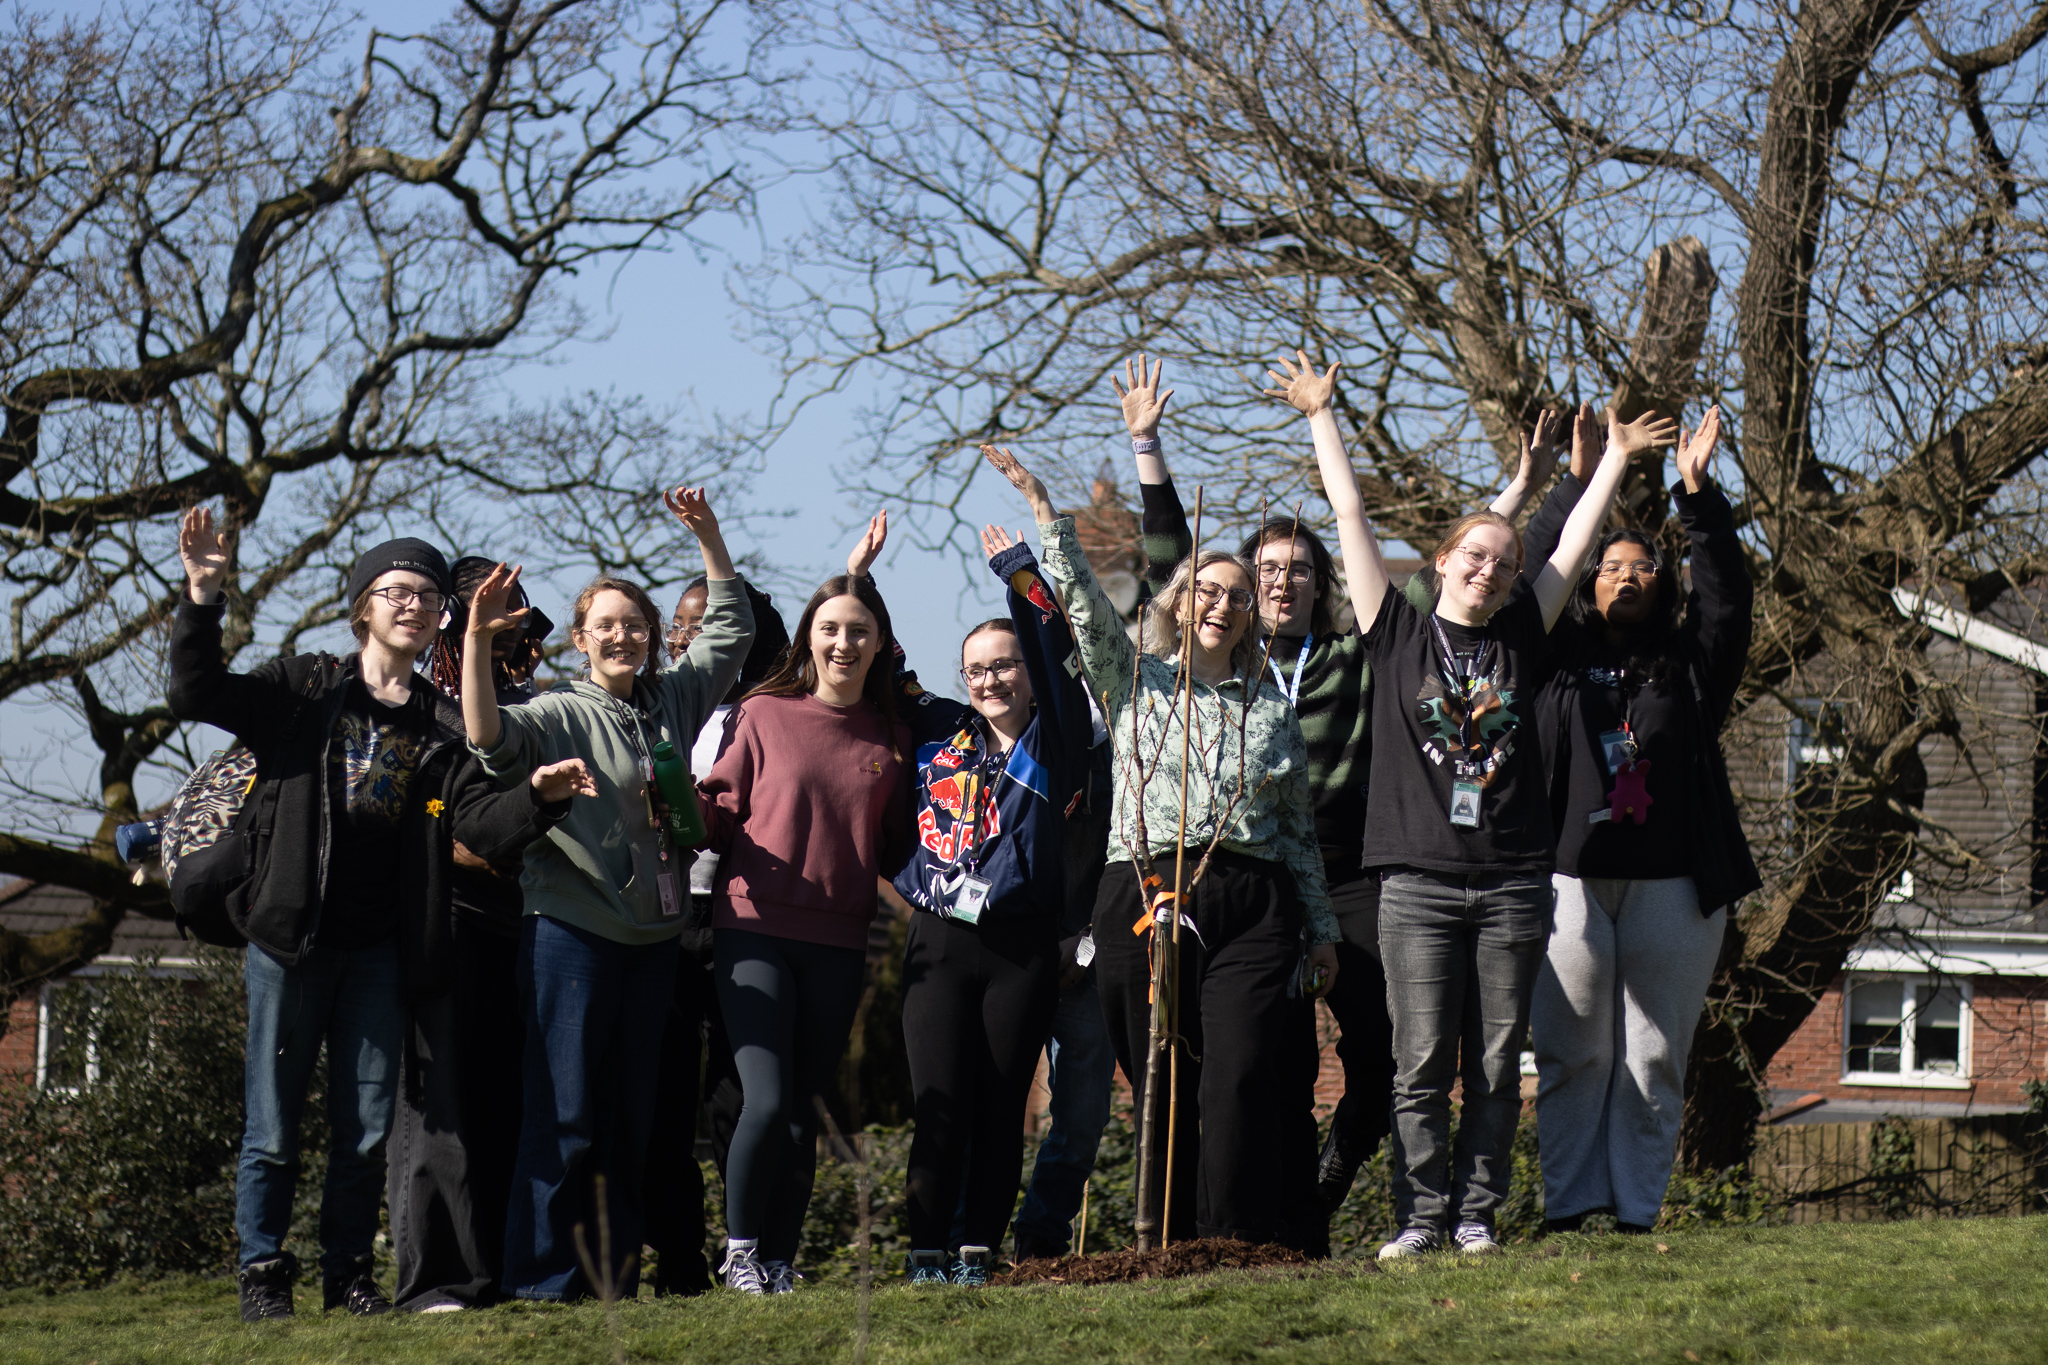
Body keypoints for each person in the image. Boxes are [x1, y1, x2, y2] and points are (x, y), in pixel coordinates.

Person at [1122, 354, 1567, 1211]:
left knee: (1391, 1048)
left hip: (1354, 867)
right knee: (1262, 1054)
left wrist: (1519, 488)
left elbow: (1455, 575)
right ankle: (1265, 1216)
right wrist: (1148, 447)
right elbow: (1169, 562)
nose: (1281, 582)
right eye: (1266, 572)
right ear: (1241, 590)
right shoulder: (1216, 671)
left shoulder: (1359, 656)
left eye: (1300, 569)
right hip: (1244, 867)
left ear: (1323, 586)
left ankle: (1328, 1187)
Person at [1265, 355, 1643, 1260]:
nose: (1489, 569)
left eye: (1503, 563)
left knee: (1492, 1065)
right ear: (1443, 563)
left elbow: (1571, 549)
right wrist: (1322, 414)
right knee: (1420, 1063)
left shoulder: (1521, 630)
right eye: (1475, 555)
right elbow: (1350, 515)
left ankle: (1477, 1212)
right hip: (1416, 884)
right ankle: (1419, 1216)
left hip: (1512, 882)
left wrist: (1617, 461)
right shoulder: (1392, 627)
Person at [169, 515, 589, 1322]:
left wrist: (538, 797)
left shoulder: (440, 722)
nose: (414, 604)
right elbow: (196, 691)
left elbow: (475, 822)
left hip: (381, 954)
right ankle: (263, 1275)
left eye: (429, 596)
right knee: (275, 1127)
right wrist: (203, 595)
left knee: (364, 1133)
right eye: (397, 591)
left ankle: (347, 1276)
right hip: (291, 941)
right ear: (363, 606)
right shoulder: (306, 689)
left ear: (442, 616)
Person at [983, 441, 1339, 1254]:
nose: (1221, 604)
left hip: (1253, 900)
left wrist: (1321, 928)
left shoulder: (1272, 713)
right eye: (1207, 590)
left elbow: (1297, 834)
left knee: (1239, 1071)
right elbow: (1080, 606)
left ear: (1254, 615)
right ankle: (1166, 1241)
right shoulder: (1133, 677)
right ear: (1182, 602)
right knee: (1161, 1076)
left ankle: (1231, 1236)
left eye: (1238, 596)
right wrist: (1047, 512)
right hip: (1143, 888)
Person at [460, 487, 754, 1302]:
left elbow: (732, 632)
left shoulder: (670, 702)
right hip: (571, 938)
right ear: (582, 639)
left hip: (652, 944)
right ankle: (544, 1279)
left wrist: (709, 535)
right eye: (607, 625)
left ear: (652, 639)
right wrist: (481, 646)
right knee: (565, 1116)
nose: (623, 635)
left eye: (637, 624)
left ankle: (613, 1276)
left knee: (631, 1124)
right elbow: (487, 739)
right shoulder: (554, 710)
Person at [1530, 407, 1758, 1234]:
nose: (1626, 577)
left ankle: (1635, 1210)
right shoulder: (1551, 654)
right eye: (1610, 567)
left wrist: (1698, 498)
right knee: (1574, 1050)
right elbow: (1530, 577)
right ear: (1589, 582)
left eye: (1643, 568)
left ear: (1662, 582)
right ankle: (1571, 1203)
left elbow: (1728, 601)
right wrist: (1577, 482)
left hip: (1674, 884)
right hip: (1568, 880)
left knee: (1651, 1055)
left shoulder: (1693, 665)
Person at [880, 517, 1093, 1286]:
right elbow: (881, 668)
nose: (991, 680)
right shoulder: (942, 727)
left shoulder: (1056, 737)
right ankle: (925, 1246)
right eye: (977, 670)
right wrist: (862, 579)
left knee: (1002, 1105)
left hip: (1020, 948)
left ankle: (977, 1247)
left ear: (1027, 674)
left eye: (1004, 666)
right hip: (938, 939)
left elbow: (1060, 646)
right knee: (939, 1100)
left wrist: (1020, 573)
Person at [696, 550, 914, 1296]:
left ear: (879, 642)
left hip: (841, 937)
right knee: (766, 1095)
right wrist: (667, 799)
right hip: (752, 927)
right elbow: (714, 820)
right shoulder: (761, 712)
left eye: (858, 630)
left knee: (803, 1111)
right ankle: (740, 1252)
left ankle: (782, 1261)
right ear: (808, 638)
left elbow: (895, 846)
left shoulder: (890, 737)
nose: (843, 643)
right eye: (829, 628)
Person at [387, 558, 577, 1312]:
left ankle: (501, 1269)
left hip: (531, 925)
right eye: (499, 625)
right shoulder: (418, 708)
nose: (520, 645)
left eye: (525, 629)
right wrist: (460, 843)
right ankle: (437, 1279)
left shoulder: (541, 709)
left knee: (510, 1104)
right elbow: (425, 824)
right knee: (441, 1112)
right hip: (447, 925)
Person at [643, 575, 791, 1296]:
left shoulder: (774, 714)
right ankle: (677, 1257)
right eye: (680, 622)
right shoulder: (654, 707)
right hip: (665, 920)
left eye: (705, 624)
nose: (685, 634)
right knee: (666, 1094)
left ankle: (748, 1251)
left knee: (738, 1097)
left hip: (744, 919)